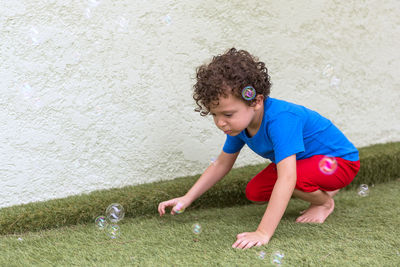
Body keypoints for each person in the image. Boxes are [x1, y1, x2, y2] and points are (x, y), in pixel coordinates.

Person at [158, 48, 360, 250]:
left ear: (256, 101)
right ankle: (321, 189)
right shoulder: (240, 126)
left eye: (227, 114)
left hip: (340, 163)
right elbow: (221, 164)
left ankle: (324, 202)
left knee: (292, 179)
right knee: (255, 192)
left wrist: (263, 232)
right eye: (214, 115)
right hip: (305, 163)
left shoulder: (281, 119)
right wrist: (187, 197)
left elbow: (288, 177)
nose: (220, 122)